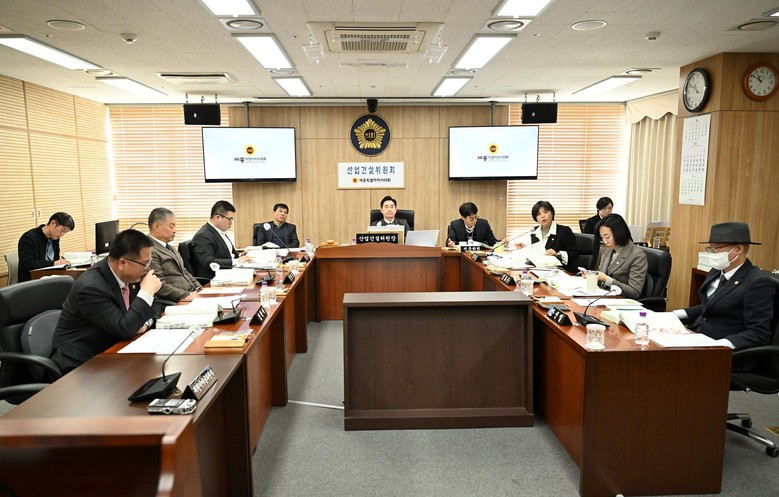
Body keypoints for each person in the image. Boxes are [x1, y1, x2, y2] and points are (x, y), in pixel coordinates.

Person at [50, 229, 163, 375]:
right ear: (122, 263)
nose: (148, 269)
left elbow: (156, 304)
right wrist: (147, 292)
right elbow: (124, 330)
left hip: (113, 352)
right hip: (81, 366)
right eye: (145, 264)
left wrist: (145, 324)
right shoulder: (91, 288)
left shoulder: (129, 276)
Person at [674, 222, 774, 365]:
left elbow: (758, 333)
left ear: (738, 249)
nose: (712, 254)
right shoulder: (716, 272)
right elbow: (710, 306)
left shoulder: (757, 282)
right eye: (710, 249)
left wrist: (720, 345)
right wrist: (673, 315)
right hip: (698, 338)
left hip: (726, 354)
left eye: (716, 249)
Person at [147, 207, 201, 302]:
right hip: (174, 301)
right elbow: (159, 285)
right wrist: (187, 295)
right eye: (171, 227)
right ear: (157, 227)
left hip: (190, 295)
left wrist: (200, 289)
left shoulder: (170, 247)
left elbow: (184, 272)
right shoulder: (149, 250)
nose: (175, 230)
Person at [592, 213, 647, 299]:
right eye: (602, 238)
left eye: (607, 237)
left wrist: (607, 280)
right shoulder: (607, 250)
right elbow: (601, 276)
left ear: (619, 233)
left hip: (621, 301)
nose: (605, 242)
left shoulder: (637, 255)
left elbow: (634, 292)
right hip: (604, 297)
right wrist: (592, 276)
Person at [191, 200, 250, 280]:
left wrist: (240, 256)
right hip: (217, 278)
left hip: (230, 272)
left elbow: (225, 254)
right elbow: (209, 262)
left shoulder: (218, 231)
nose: (231, 223)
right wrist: (236, 261)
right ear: (218, 217)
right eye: (230, 219)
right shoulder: (203, 236)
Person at [517, 201, 578, 273]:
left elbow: (575, 254)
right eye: (538, 214)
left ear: (552, 213)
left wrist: (558, 255)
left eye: (545, 212)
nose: (543, 216)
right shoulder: (534, 232)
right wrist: (524, 248)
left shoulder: (564, 231)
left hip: (558, 272)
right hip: (538, 271)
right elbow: (537, 251)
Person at [17, 212, 75, 283]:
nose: (62, 234)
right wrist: (54, 263)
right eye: (62, 230)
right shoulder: (29, 238)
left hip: (50, 277)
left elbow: (55, 259)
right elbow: (26, 263)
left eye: (65, 232)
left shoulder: (55, 238)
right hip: (32, 281)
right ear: (53, 223)